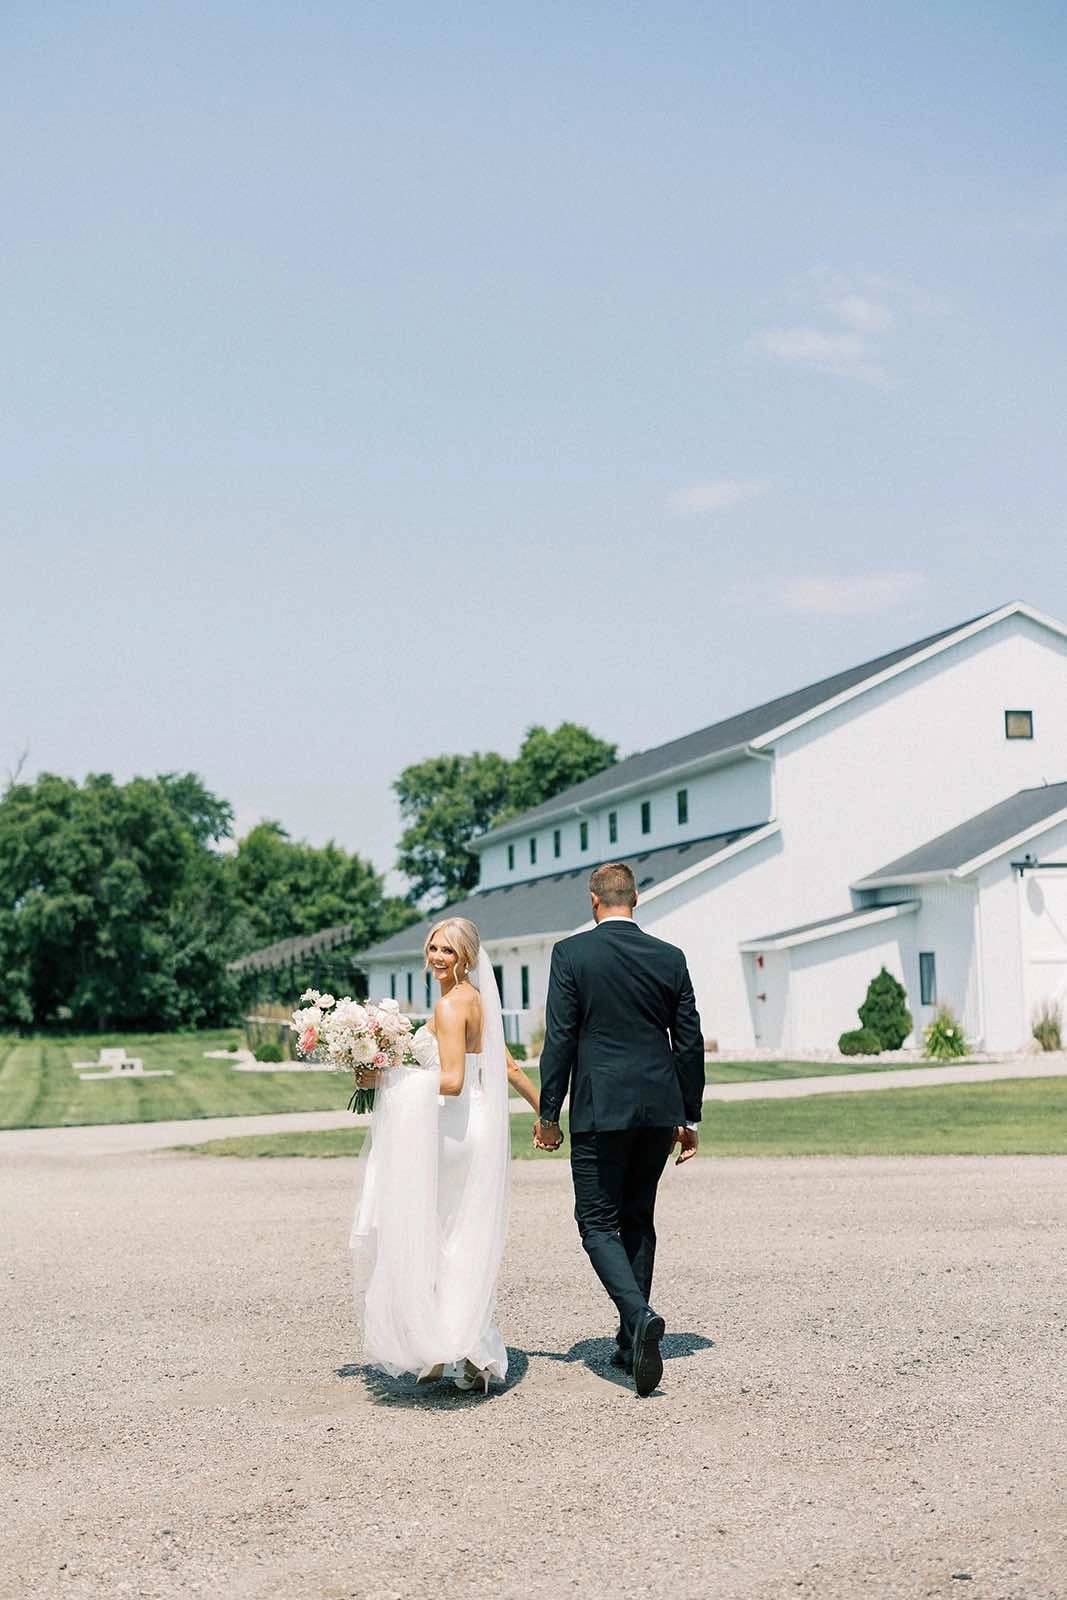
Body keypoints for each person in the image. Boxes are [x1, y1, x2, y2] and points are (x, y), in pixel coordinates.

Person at [533, 862, 704, 1396]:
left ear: (593, 901)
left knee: (596, 1221)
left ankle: (640, 1315)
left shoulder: (572, 954)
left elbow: (560, 1037)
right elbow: (690, 1041)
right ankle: (632, 1342)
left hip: (599, 1106)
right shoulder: (670, 957)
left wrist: (547, 1113)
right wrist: (690, 1115)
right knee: (637, 1216)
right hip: (658, 1107)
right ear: (636, 898)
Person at [349, 917, 540, 1393]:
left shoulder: (452, 1006)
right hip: (477, 1123)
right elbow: (508, 1065)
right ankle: (464, 1346)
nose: (436, 956)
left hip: (453, 1126)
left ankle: (450, 1343)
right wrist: (547, 1112)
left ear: (467, 958)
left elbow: (451, 1081)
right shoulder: (478, 1002)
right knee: (463, 1232)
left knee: (439, 1233)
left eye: (448, 951)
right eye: (433, 947)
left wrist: (389, 1080)